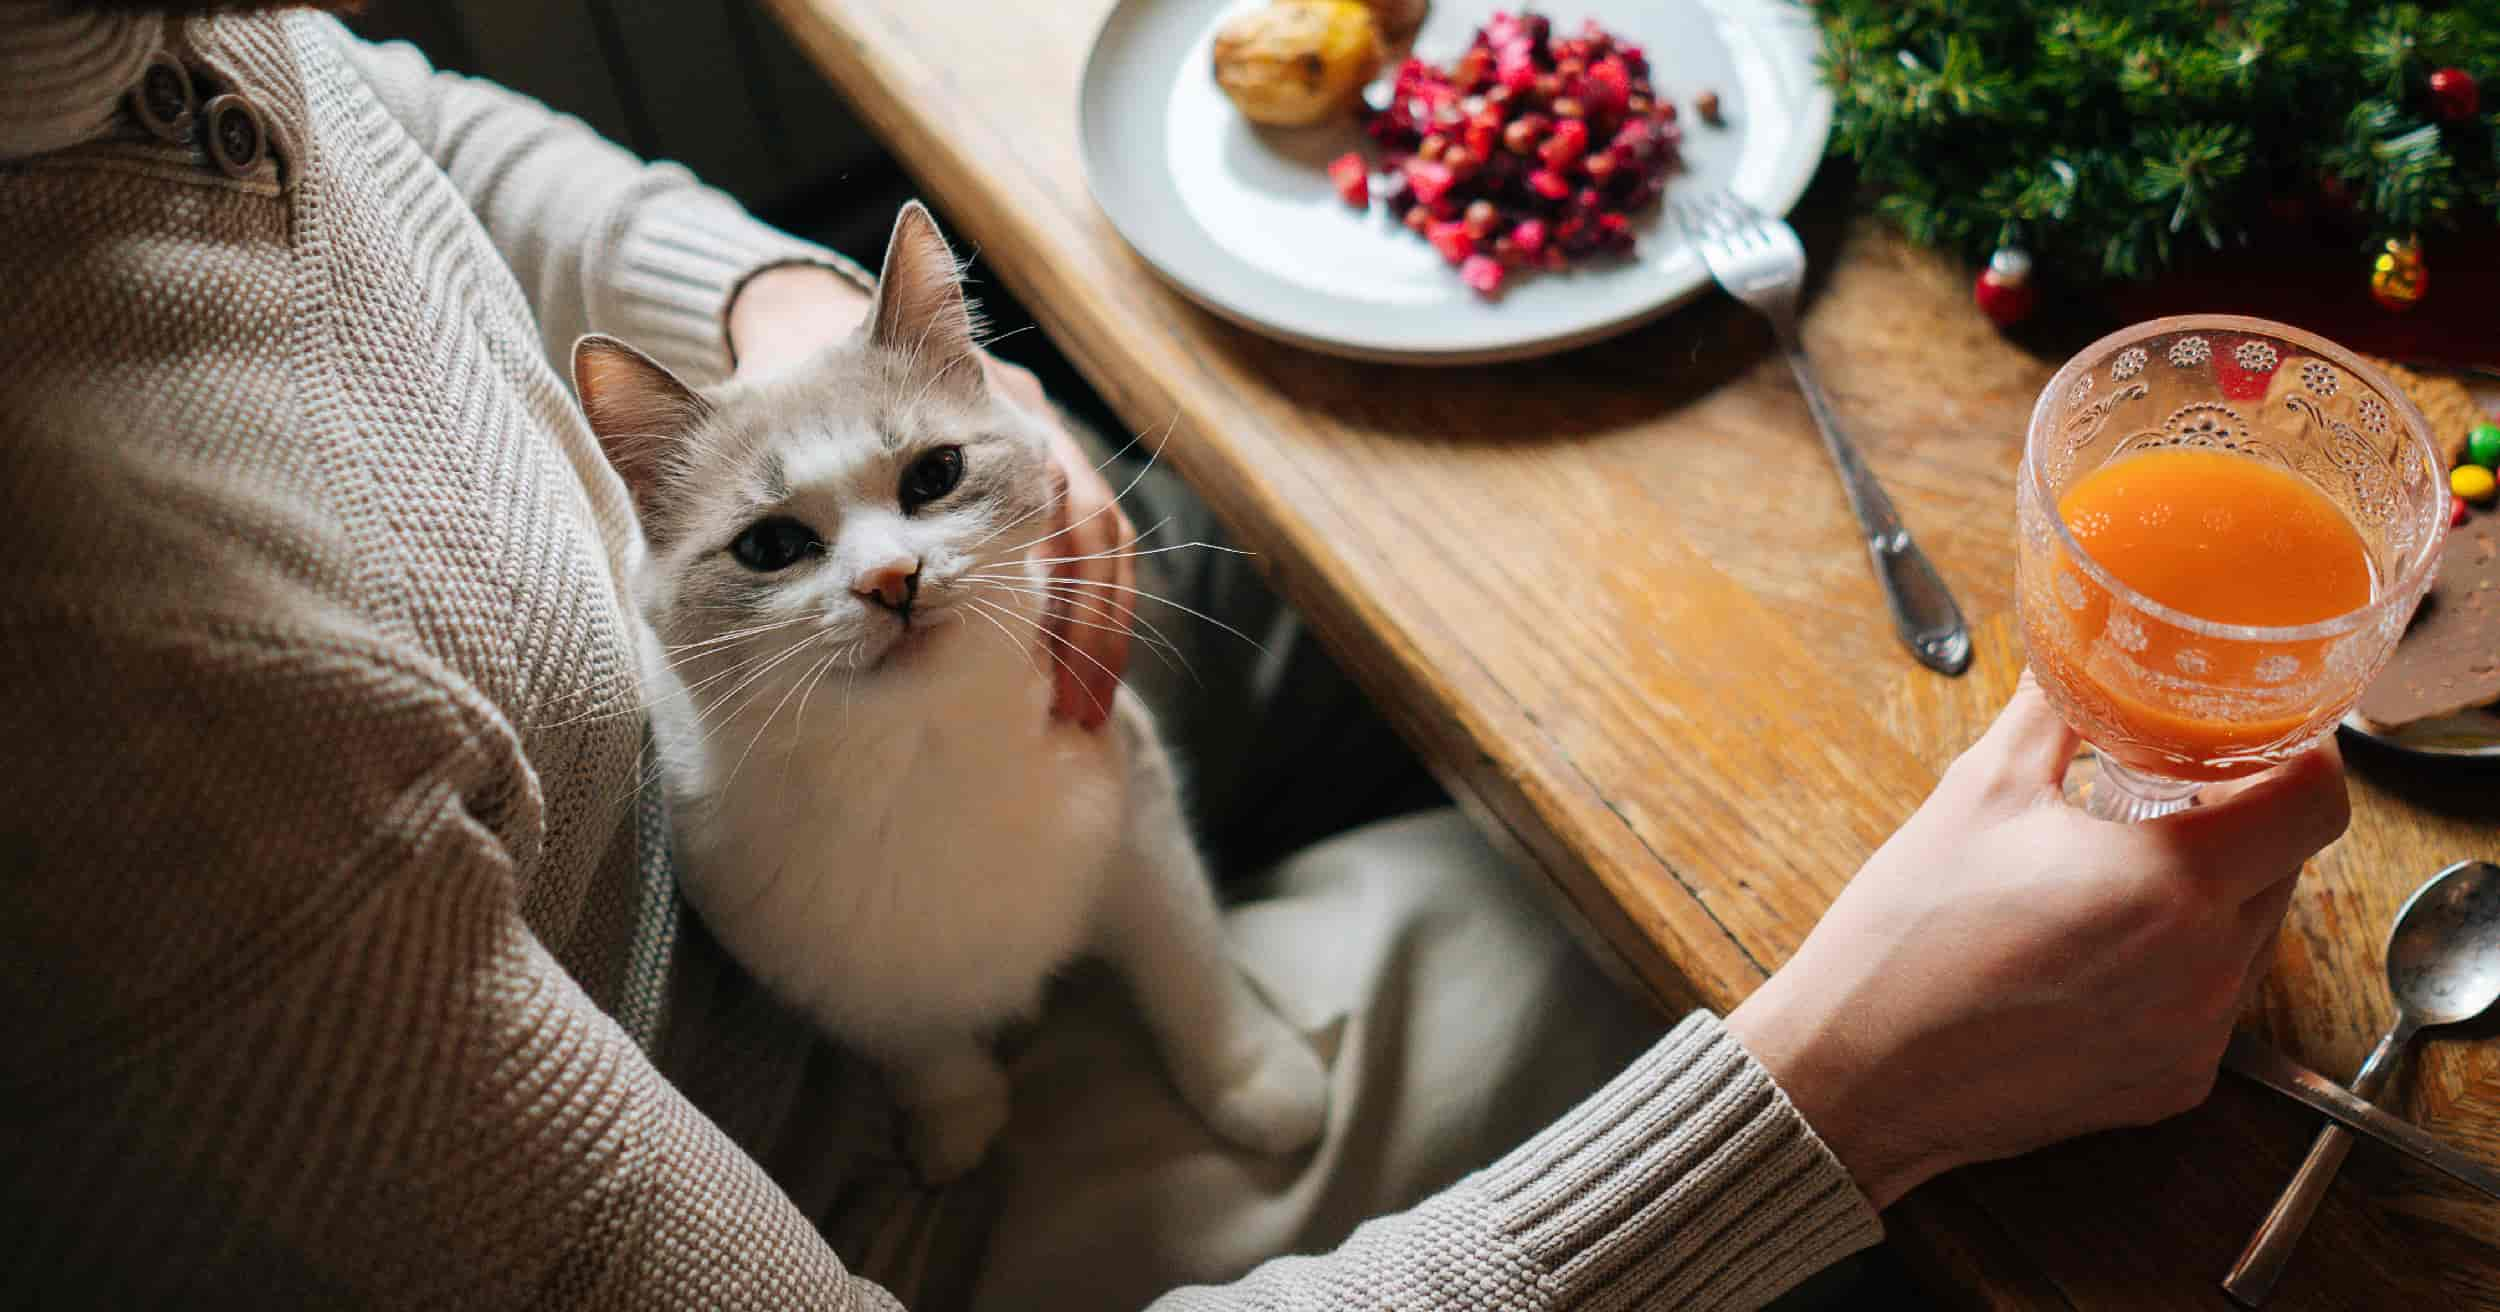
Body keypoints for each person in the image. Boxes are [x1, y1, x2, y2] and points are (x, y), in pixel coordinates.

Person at [0, 3, 2351, 1308]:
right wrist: (1833, 1088)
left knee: (1412, 500)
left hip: (799, 684)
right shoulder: (142, 720)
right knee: (1674, 925)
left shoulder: (110, 43)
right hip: (825, 1171)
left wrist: (792, 322)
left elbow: (384, 112)